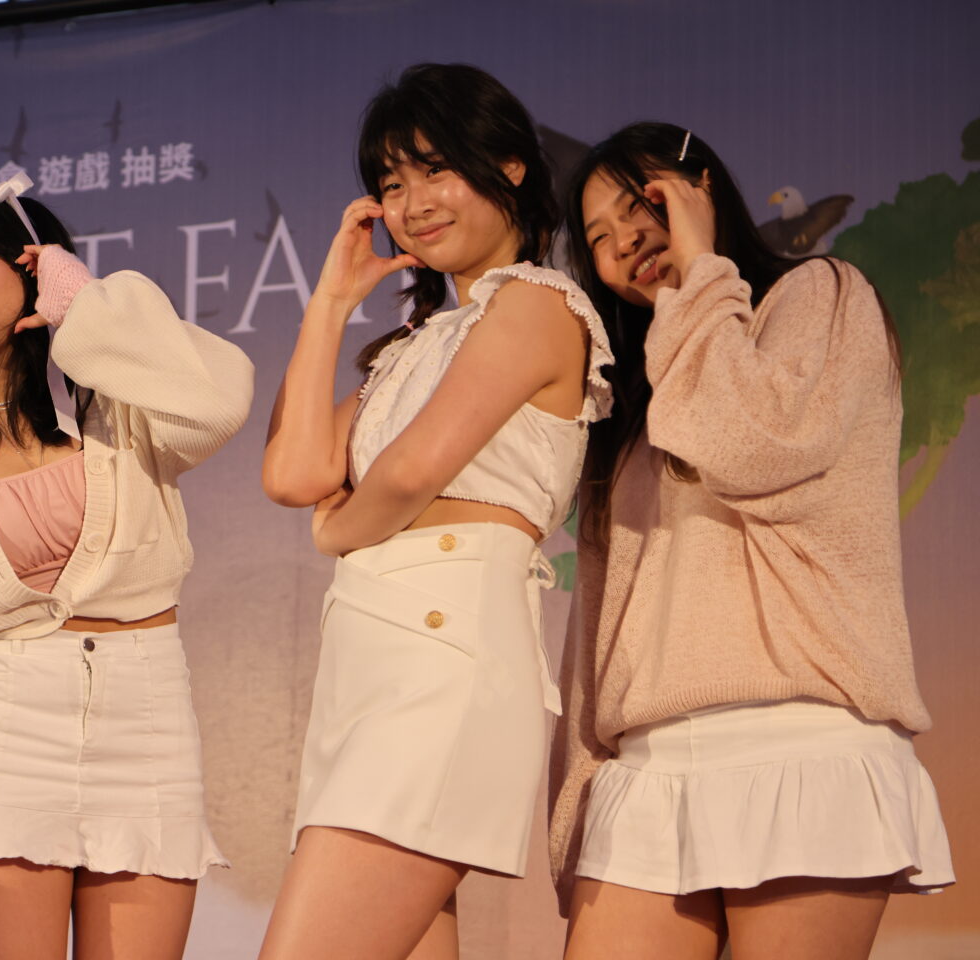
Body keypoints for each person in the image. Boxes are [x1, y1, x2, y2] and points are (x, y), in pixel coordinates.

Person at [550, 121, 954, 960]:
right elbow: (598, 624)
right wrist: (580, 801)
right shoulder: (634, 404)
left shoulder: (820, 295)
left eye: (640, 205)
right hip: (648, 766)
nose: (624, 242)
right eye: (598, 238)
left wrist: (702, 269)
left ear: (699, 188)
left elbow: (753, 443)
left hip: (803, 741)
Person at [258, 63, 610, 960]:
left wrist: (341, 529)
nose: (412, 203)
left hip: (444, 652)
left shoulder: (538, 302)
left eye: (434, 168)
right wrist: (332, 303)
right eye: (390, 183)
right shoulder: (415, 345)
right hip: (370, 658)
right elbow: (293, 473)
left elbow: (412, 471)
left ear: (510, 166)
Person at [0, 180, 252, 959]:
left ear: (29, 265)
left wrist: (88, 308)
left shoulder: (117, 404)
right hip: (5, 736)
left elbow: (220, 403)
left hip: (147, 721)